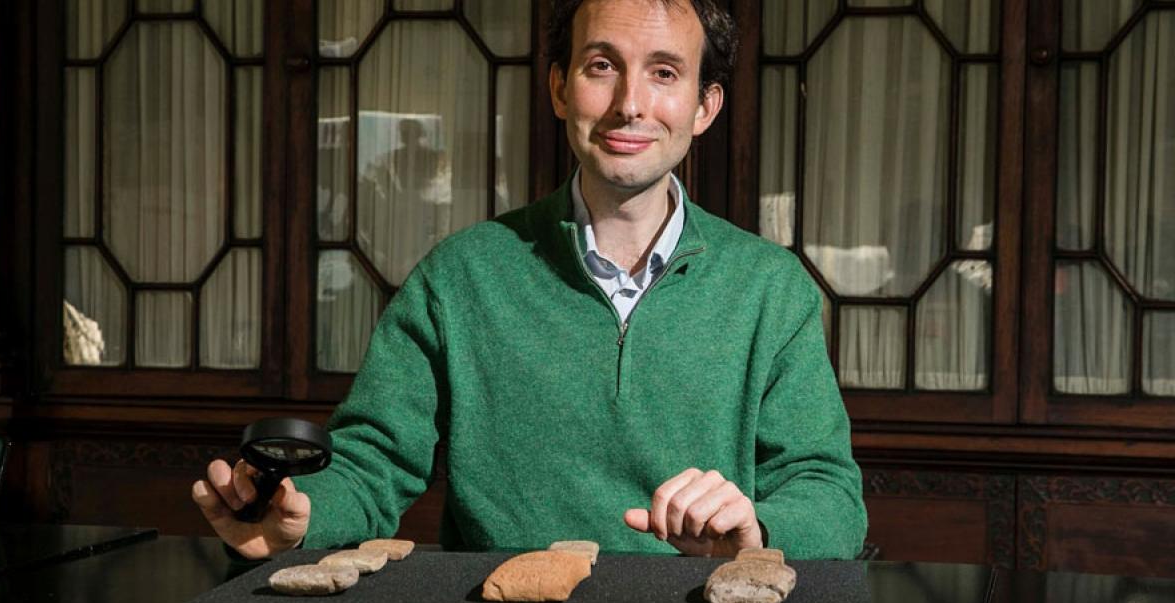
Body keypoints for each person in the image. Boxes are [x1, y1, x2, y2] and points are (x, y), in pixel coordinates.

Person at [192, 0, 866, 561]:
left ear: (704, 107)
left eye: (664, 73)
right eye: (602, 66)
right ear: (559, 87)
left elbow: (830, 497)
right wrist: (298, 517)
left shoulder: (772, 290)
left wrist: (758, 529)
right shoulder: (460, 277)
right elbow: (372, 462)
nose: (630, 104)